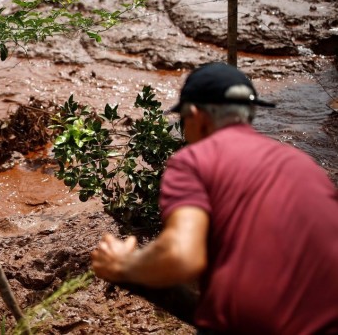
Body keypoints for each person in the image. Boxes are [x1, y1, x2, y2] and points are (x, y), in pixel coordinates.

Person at [91, 61, 338, 334]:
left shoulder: (196, 159)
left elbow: (181, 257)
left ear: (196, 116)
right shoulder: (304, 165)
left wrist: (124, 264)